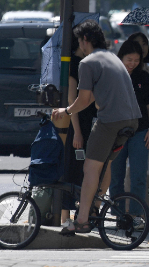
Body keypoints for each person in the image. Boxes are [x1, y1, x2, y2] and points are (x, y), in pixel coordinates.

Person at [52, 20, 140, 235]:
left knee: (90, 168)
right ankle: (95, 207)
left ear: (85, 40)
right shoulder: (113, 58)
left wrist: (66, 111)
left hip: (111, 121)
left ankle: (82, 220)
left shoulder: (87, 62)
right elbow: (93, 98)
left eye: (80, 41)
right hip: (132, 120)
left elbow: (83, 100)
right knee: (104, 164)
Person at [109, 40, 149, 220]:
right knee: (116, 177)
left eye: (136, 60)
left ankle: (137, 216)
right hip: (116, 133)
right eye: (128, 59)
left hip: (140, 131)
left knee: (139, 175)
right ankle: (118, 215)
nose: (132, 63)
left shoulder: (144, 77)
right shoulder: (113, 75)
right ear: (120, 57)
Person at [61, 35, 97, 227]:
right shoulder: (75, 65)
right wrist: (77, 132)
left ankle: (79, 214)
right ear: (82, 42)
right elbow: (71, 100)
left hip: (89, 123)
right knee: (73, 171)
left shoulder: (86, 63)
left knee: (84, 171)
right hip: (78, 125)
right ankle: (66, 217)